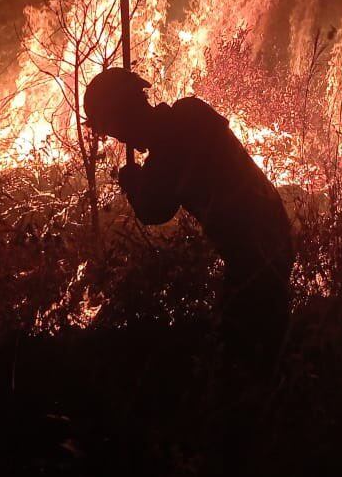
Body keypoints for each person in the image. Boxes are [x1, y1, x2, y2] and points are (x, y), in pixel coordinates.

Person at [82, 67, 294, 373]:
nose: (119, 138)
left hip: (256, 244)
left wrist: (134, 186)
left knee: (249, 347)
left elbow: (153, 209)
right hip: (261, 235)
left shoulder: (175, 138)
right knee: (251, 336)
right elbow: (157, 203)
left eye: (115, 130)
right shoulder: (187, 116)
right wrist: (142, 184)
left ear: (122, 121)